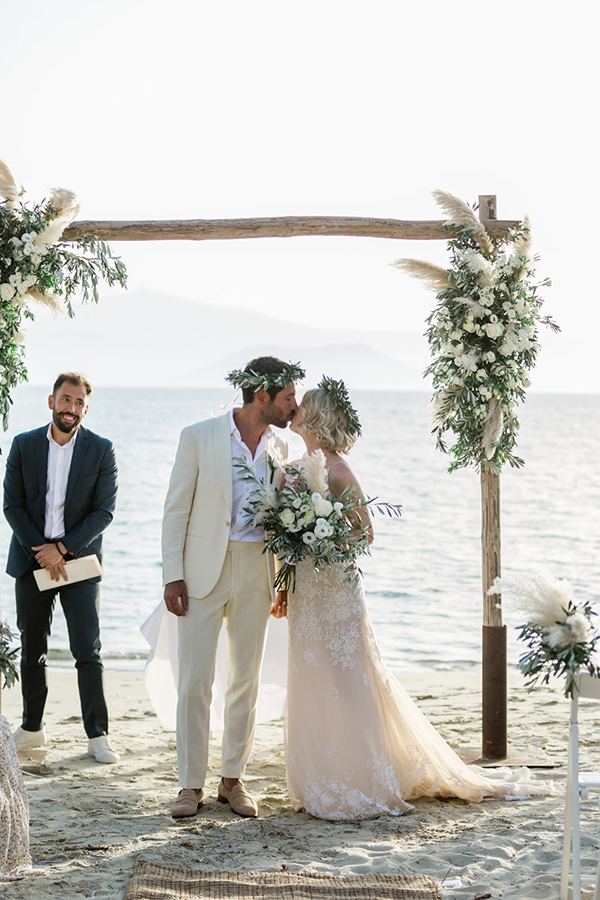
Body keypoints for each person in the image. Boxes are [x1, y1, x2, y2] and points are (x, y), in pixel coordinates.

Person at [272, 378, 551, 820]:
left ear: (315, 416)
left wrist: (320, 534)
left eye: (301, 406)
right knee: (311, 678)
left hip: (337, 591)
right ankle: (319, 775)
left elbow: (365, 532)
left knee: (348, 681)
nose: (294, 412)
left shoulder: (339, 470)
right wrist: (285, 581)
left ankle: (361, 775)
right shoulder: (289, 467)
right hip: (306, 590)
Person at [162, 356, 302, 819]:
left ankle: (232, 780)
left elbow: (284, 521)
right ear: (261, 397)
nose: (293, 406)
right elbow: (176, 511)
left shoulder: (283, 447)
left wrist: (283, 578)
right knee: (195, 682)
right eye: (288, 397)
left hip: (256, 569)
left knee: (245, 680)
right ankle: (189, 785)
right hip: (202, 570)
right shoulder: (198, 436)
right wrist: (172, 574)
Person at [3, 373, 119, 764]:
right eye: (65, 399)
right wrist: (42, 551)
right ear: (51, 401)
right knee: (32, 647)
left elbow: (104, 512)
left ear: (86, 408)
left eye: (78, 402)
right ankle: (32, 728)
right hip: (31, 558)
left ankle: (98, 735)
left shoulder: (102, 450)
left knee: (87, 649)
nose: (71, 408)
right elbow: (12, 506)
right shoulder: (23, 445)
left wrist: (64, 549)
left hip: (80, 563)